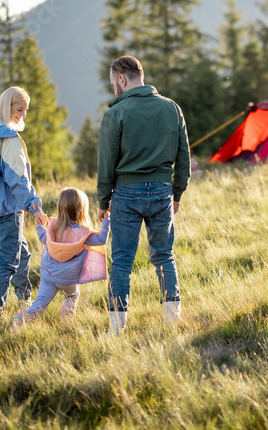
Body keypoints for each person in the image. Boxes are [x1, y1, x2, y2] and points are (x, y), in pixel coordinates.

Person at [98, 55, 191, 335]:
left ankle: (117, 329)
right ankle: (172, 321)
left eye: (114, 82)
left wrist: (103, 201)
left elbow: (106, 161)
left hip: (126, 194)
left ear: (123, 80)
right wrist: (177, 192)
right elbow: (183, 155)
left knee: (122, 261)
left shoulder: (116, 113)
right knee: (164, 256)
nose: (114, 88)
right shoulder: (171, 108)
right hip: (163, 191)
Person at [0, 86, 48, 330]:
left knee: (22, 253)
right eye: (19, 109)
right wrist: (34, 206)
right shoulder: (8, 138)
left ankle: (25, 302)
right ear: (7, 106)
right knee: (8, 261)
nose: (23, 115)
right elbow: (18, 178)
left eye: (26, 110)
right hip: (8, 209)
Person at [11, 186, 110, 331]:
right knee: (72, 296)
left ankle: (19, 321)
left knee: (39, 305)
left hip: (49, 275)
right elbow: (102, 240)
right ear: (81, 210)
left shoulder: (53, 226)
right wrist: (107, 220)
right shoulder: (83, 233)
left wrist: (41, 226)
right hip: (68, 278)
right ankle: (67, 322)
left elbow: (43, 237)